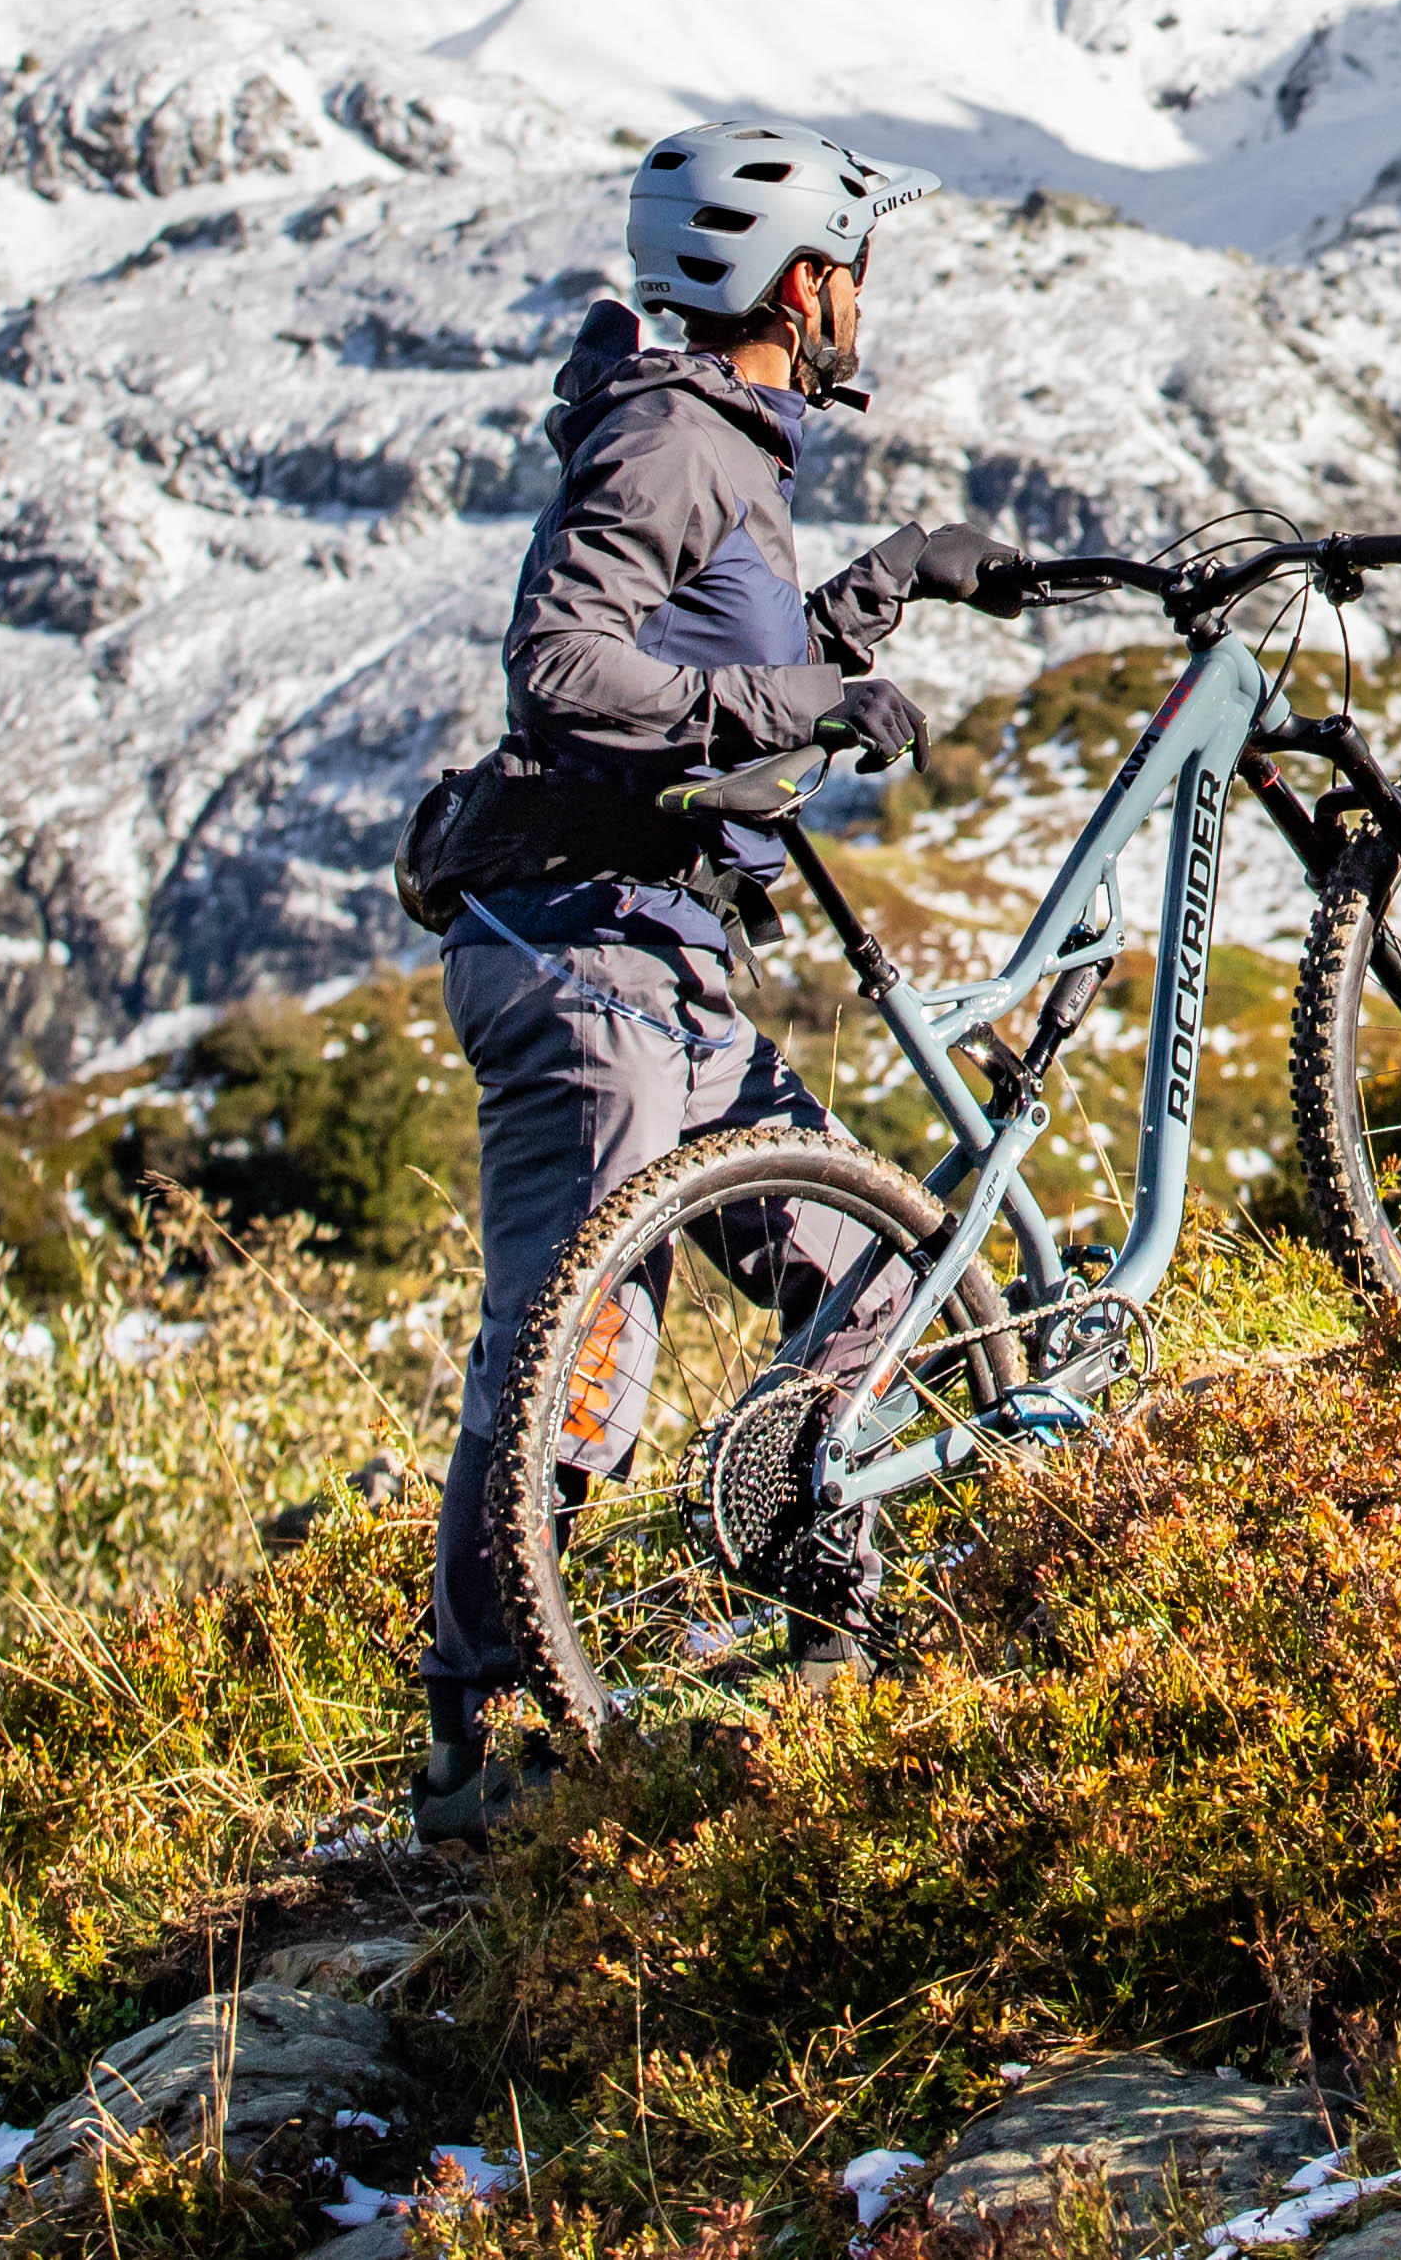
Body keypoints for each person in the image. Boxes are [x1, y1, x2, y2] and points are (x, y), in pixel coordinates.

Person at [406, 124, 1030, 1838]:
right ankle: (477, 1760)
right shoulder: (675, 436)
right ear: (803, 282)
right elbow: (564, 668)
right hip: (584, 955)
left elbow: (715, 668)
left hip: (667, 965)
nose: (860, 307)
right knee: (568, 1359)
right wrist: (791, 711)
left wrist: (884, 590)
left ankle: (789, 1549)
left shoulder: (728, 452)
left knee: (875, 1267)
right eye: (855, 273)